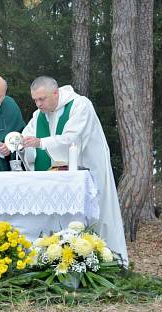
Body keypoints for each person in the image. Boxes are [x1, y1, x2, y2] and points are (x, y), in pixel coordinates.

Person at [20, 76, 129, 264]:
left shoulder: (80, 105)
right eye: (35, 100)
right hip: (55, 179)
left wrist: (41, 143)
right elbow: (26, 137)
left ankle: (102, 261)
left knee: (95, 217)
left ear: (55, 93)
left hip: (87, 173)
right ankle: (54, 260)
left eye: (42, 99)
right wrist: (14, 144)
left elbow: (73, 140)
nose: (38, 104)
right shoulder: (39, 115)